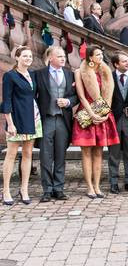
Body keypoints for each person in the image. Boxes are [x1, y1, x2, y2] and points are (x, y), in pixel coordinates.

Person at [72, 45, 119, 199]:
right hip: (87, 113)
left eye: (101, 54)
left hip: (103, 114)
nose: (100, 56)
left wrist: (105, 112)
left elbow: (108, 95)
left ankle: (97, 186)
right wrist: (92, 113)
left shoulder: (104, 72)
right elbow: (81, 96)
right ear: (90, 57)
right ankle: (89, 187)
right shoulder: (80, 72)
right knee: (86, 152)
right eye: (97, 54)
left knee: (99, 152)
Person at [34, 46, 77, 202]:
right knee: (46, 156)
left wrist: (67, 102)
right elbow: (33, 97)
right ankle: (47, 189)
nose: (63, 58)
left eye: (63, 56)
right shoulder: (39, 74)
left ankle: (58, 188)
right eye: (59, 56)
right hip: (47, 119)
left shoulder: (69, 74)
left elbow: (75, 97)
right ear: (50, 58)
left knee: (61, 155)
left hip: (63, 121)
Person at [1, 46, 41, 205]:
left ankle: (24, 189)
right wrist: (9, 123)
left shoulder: (32, 74)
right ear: (17, 58)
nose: (28, 59)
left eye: (30, 56)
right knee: (11, 154)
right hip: (16, 119)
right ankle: (6, 190)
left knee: (28, 153)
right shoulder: (10, 76)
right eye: (25, 56)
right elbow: (7, 100)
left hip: (33, 117)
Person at [109, 51, 128, 194]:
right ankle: (113, 182)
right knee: (113, 153)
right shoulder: (108, 76)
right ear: (116, 64)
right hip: (113, 119)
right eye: (124, 61)